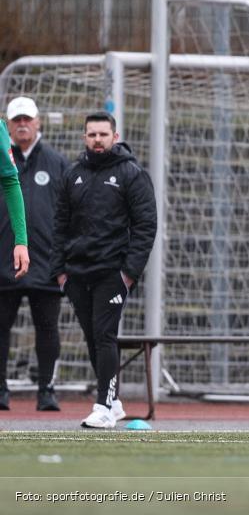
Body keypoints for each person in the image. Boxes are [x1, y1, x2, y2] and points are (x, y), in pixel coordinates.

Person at [50, 112, 156, 428]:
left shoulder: (131, 174)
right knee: (93, 337)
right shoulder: (72, 174)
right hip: (76, 273)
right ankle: (115, 402)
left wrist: (129, 272)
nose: (98, 140)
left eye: (103, 134)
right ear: (85, 137)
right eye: (92, 134)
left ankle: (104, 407)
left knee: (105, 335)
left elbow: (146, 225)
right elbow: (59, 224)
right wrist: (61, 272)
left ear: (115, 136)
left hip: (113, 271)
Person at [0, 97, 67, 411]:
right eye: (17, 120)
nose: (23, 124)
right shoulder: (3, 154)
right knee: (1, 328)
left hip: (45, 261)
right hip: (4, 260)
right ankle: (1, 389)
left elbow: (70, 213)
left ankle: (47, 390)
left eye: (27, 119)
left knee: (48, 329)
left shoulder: (57, 163)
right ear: (9, 124)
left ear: (38, 121)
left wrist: (64, 257)